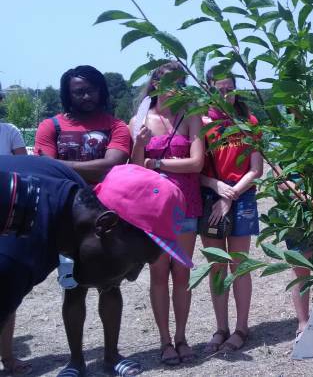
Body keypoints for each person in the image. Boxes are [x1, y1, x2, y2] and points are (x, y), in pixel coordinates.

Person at [0, 156, 193, 376]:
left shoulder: (68, 186)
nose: (131, 277)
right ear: (105, 225)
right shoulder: (13, 260)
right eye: (137, 261)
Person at [33, 65, 135, 377]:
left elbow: (113, 165)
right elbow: (44, 169)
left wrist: (60, 166)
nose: (86, 95)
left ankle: (111, 357)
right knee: (72, 288)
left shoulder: (116, 126)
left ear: (102, 91)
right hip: (65, 223)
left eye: (92, 89)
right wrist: (93, 166)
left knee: (111, 285)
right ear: (68, 94)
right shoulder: (50, 126)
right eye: (79, 91)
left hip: (107, 220)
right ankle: (75, 362)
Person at [129, 61, 204, 365]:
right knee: (159, 275)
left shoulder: (192, 116)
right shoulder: (141, 119)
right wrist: (140, 145)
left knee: (182, 274)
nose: (175, 87)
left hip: (186, 205)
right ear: (156, 84)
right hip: (154, 209)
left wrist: (157, 163)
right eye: (169, 81)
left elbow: (197, 163)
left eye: (179, 81)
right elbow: (133, 167)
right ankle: (164, 341)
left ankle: (183, 336)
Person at [199, 69, 263, 353]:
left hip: (242, 199)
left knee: (239, 264)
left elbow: (256, 169)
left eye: (229, 89)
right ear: (209, 90)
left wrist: (231, 194)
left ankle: (241, 327)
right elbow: (195, 169)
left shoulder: (248, 123)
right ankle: (221, 327)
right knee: (217, 267)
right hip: (210, 198)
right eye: (219, 90)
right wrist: (217, 187)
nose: (225, 95)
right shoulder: (200, 123)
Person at [0, 112, 29, 376]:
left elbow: (27, 169)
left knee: (5, 287)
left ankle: (8, 356)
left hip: (4, 216)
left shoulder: (9, 131)